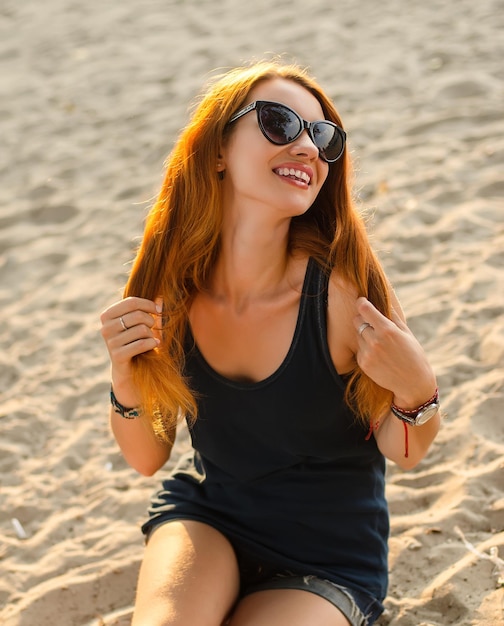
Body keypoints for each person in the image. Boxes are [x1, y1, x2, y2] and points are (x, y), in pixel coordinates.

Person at [100, 59, 440, 626]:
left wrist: (418, 389)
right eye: (281, 124)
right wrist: (123, 376)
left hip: (328, 560)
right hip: (209, 525)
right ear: (216, 151)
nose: (308, 147)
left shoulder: (343, 292)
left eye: (323, 137)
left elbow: (406, 452)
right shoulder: (170, 293)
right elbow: (146, 457)